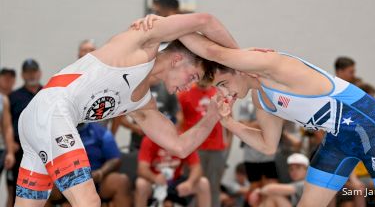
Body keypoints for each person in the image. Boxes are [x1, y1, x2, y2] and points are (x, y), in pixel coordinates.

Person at [135, 14, 375, 206]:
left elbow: (213, 51)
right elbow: (267, 146)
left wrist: (163, 25)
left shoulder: (267, 64)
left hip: (368, 124)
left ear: (238, 69)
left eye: (224, 84)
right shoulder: (263, 100)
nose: (226, 94)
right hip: (338, 139)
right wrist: (229, 124)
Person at [15, 13, 237, 207]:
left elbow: (180, 147)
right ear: (177, 60)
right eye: (193, 77)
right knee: (89, 201)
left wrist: (213, 115)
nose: (189, 86)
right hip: (52, 110)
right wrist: (242, 65)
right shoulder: (141, 44)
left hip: (36, 121)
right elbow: (205, 20)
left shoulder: (142, 105)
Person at [45, 123, 131, 207]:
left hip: (96, 180)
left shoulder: (100, 131)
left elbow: (115, 158)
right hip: (64, 182)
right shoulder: (52, 133)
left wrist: (100, 173)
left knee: (121, 181)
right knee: (41, 185)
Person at [178, 82, 232, 207]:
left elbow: (229, 118)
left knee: (214, 187)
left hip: (216, 149)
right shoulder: (184, 94)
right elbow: (180, 121)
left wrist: (228, 141)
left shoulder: (219, 93)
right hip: (194, 149)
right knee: (193, 186)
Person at [135, 136, 211, 207]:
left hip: (175, 181)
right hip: (154, 183)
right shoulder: (149, 139)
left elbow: (197, 168)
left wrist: (189, 183)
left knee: (203, 183)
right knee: (141, 184)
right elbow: (142, 169)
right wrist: (155, 178)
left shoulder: (183, 140)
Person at [8, 59, 42, 207]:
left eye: (34, 71)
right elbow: (6, 125)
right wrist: (10, 145)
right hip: (20, 152)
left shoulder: (47, 92)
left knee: (45, 191)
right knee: (18, 191)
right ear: (22, 75)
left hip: (43, 151)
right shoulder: (13, 96)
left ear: (39, 72)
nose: (31, 75)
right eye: (28, 72)